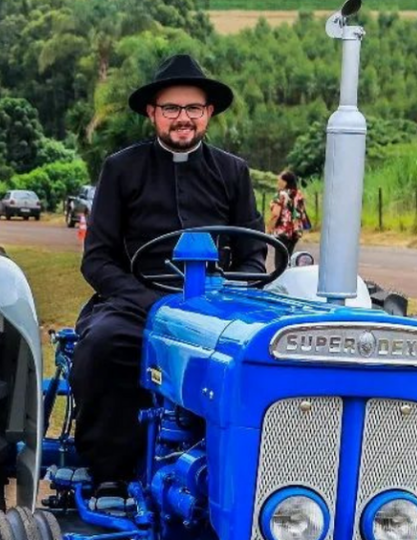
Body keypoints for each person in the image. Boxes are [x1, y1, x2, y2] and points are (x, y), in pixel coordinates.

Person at [70, 54, 267, 490]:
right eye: (172, 109)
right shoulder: (121, 168)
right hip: (137, 301)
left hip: (217, 310)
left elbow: (254, 256)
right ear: (152, 113)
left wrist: (230, 295)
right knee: (103, 345)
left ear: (208, 113)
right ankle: (109, 472)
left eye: (193, 109)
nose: (183, 118)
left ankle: (251, 479)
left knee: (268, 356)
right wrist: (151, 302)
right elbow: (97, 258)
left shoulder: (234, 173)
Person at [266, 170, 309, 268]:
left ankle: (281, 281)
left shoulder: (281, 195)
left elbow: (275, 214)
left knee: (279, 263)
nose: (277, 183)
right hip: (295, 231)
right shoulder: (299, 194)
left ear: (285, 182)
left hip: (283, 231)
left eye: (279, 180)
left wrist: (269, 229)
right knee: (288, 260)